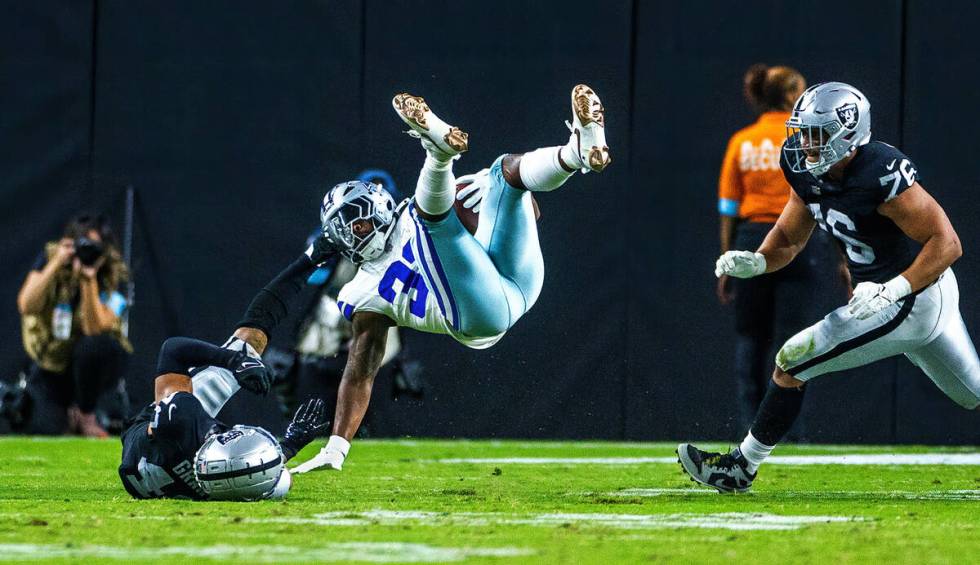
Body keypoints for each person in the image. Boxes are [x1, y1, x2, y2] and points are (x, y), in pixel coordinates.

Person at [290, 84, 610, 473]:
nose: (358, 230)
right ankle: (437, 153)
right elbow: (361, 367)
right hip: (477, 317)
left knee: (506, 171)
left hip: (516, 280)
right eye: (350, 228)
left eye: (357, 221)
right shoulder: (362, 290)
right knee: (432, 223)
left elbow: (532, 213)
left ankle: (576, 153)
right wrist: (336, 446)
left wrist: (497, 195)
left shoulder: (417, 211)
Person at [679, 82, 980, 492]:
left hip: (912, 296)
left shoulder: (881, 173)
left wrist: (892, 290)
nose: (805, 144)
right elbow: (789, 237)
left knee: (792, 360)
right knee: (972, 393)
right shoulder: (804, 169)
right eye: (802, 132)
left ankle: (740, 467)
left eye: (817, 135)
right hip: (890, 297)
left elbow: (947, 243)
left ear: (849, 135)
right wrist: (759, 261)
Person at [118, 241, 337, 500]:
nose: (233, 433)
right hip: (163, 460)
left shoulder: (180, 422)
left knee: (248, 343)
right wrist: (290, 445)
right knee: (280, 484)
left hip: (158, 440)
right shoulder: (222, 481)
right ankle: (310, 259)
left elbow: (173, 350)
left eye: (228, 439)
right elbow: (254, 470)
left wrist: (235, 361)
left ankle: (310, 260)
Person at [716, 65, 846, 433]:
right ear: (791, 97)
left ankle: (750, 428)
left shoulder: (743, 141)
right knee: (795, 341)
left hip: (752, 239)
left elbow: (727, 208)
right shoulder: (811, 138)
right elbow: (828, 200)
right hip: (801, 242)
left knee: (751, 339)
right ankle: (788, 432)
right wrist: (842, 258)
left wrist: (728, 260)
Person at [17, 214, 131, 437]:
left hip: (91, 375)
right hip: (51, 365)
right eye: (83, 245)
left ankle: (87, 415)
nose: (87, 251)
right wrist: (56, 263)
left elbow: (95, 330)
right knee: (46, 430)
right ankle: (68, 419)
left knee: (96, 346)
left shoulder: (111, 273)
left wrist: (88, 280)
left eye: (94, 246)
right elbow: (26, 305)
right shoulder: (51, 257)